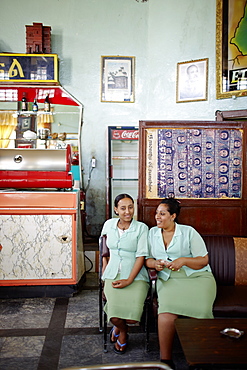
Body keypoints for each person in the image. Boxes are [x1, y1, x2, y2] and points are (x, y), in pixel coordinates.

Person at [145, 198, 216, 369]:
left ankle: (200, 358)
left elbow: (203, 260)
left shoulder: (188, 232)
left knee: (199, 311)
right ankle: (166, 360)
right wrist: (155, 264)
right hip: (168, 279)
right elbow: (146, 259)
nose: (157, 217)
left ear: (173, 216)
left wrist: (183, 261)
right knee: (166, 314)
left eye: (162, 214)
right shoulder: (151, 233)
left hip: (197, 278)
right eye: (156, 213)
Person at [101, 193, 149, 354]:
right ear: (116, 210)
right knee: (115, 316)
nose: (127, 211)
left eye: (130, 207)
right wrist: (104, 268)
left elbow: (141, 256)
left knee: (132, 318)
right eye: (123, 208)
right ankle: (123, 331)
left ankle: (122, 327)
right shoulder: (108, 225)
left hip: (136, 276)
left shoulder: (142, 228)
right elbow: (103, 250)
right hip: (112, 274)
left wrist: (129, 280)